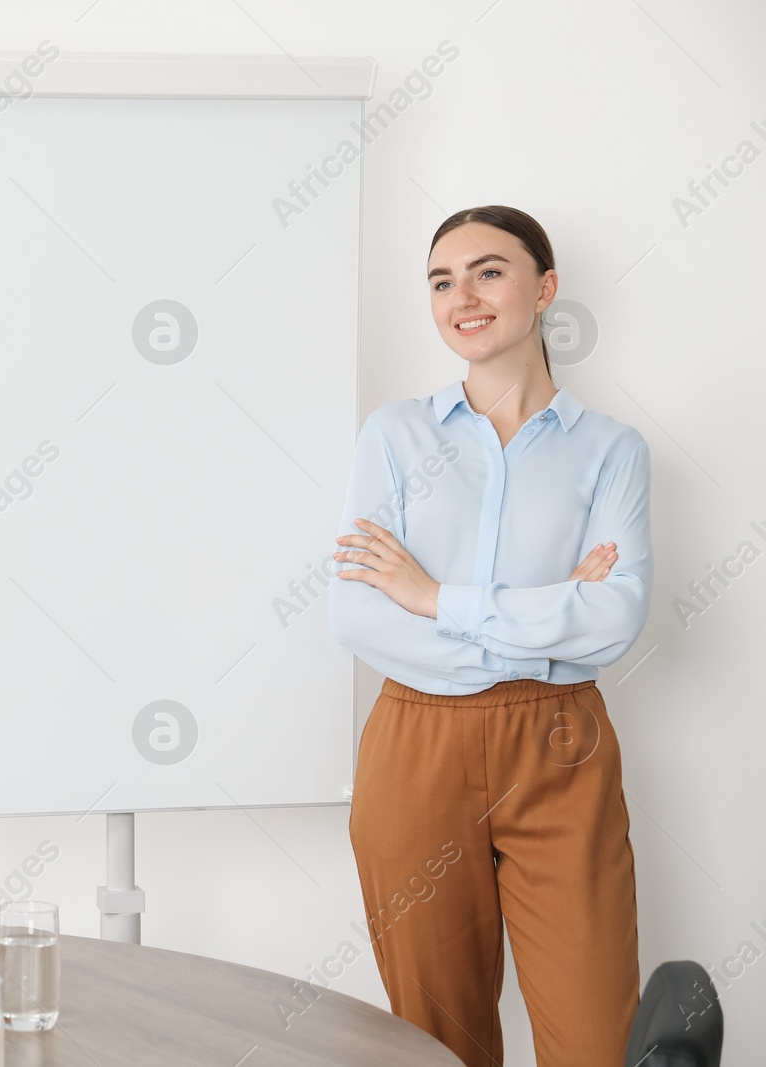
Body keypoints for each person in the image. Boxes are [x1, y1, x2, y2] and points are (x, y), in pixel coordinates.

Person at [328, 205, 651, 1067]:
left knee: (596, 1040)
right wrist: (550, 619)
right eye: (441, 280)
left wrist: (434, 596)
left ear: (544, 288)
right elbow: (357, 614)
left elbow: (616, 617)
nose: (462, 296)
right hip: (415, 746)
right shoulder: (394, 436)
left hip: (561, 747)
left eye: (488, 271)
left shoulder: (611, 451)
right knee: (438, 1042)